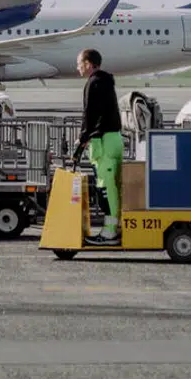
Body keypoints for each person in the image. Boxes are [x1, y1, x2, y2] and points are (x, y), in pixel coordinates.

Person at [72, 48, 123, 244]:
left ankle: (109, 232)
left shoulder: (93, 83)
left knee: (105, 187)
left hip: (103, 142)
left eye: (79, 63)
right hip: (114, 139)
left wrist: (82, 139)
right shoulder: (106, 81)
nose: (77, 68)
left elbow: (90, 115)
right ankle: (112, 228)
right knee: (113, 186)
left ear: (88, 63)